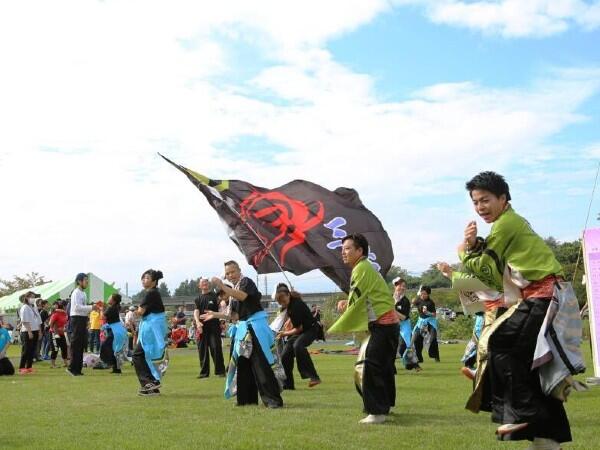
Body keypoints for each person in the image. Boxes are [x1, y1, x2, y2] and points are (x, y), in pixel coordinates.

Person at [458, 171, 582, 448]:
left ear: (503, 198)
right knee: (527, 364)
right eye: (476, 202)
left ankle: (521, 411)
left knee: (501, 343)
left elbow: (487, 270)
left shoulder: (506, 224)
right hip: (539, 296)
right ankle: (547, 439)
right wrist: (475, 245)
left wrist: (464, 253)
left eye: (486, 200)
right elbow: (490, 258)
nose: (480, 208)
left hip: (545, 295)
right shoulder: (505, 224)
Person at [328, 234, 399, 425]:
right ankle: (385, 406)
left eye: (348, 248)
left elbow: (357, 299)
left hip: (383, 326)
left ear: (360, 251)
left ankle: (377, 412)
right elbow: (359, 296)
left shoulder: (361, 268)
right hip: (388, 326)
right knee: (383, 368)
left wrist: (343, 314)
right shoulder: (364, 268)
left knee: (367, 366)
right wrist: (347, 302)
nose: (343, 252)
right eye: (342, 249)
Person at [212, 260, 283, 408]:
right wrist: (215, 315)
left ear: (239, 270)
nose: (230, 275)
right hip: (244, 329)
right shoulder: (233, 290)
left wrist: (221, 285)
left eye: (232, 271)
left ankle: (273, 400)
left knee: (260, 364)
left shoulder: (246, 282)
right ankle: (246, 399)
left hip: (256, 328)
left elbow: (242, 296)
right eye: (227, 273)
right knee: (243, 364)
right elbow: (235, 316)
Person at [274, 283, 321, 389]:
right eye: (281, 303)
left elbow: (298, 328)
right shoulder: (291, 304)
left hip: (311, 330)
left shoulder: (296, 306)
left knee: (298, 345)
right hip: (301, 332)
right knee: (285, 355)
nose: (283, 304)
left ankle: (313, 377)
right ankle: (288, 384)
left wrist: (283, 334)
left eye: (284, 301)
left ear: (288, 295)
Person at [133, 269, 168, 397]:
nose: (144, 280)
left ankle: (150, 382)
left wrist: (133, 312)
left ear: (154, 281)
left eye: (147, 278)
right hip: (153, 326)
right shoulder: (154, 293)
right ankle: (152, 387)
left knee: (138, 355)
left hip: (151, 327)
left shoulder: (150, 293)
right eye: (143, 278)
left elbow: (141, 311)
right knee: (145, 355)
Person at [194, 278, 225, 379]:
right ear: (199, 286)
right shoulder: (198, 298)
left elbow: (221, 308)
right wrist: (198, 322)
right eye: (203, 282)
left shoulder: (215, 296)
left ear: (209, 285)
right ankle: (204, 373)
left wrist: (222, 321)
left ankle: (220, 371)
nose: (205, 284)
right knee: (202, 350)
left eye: (206, 282)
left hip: (214, 326)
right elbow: (196, 311)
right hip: (202, 327)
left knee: (216, 348)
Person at [67, 273, 94, 376]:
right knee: (76, 344)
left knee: (82, 344)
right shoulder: (76, 292)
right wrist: (91, 307)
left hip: (82, 319)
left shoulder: (84, 293)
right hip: (76, 319)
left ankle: (78, 369)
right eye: (85, 280)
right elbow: (77, 307)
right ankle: (72, 368)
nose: (87, 282)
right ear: (79, 281)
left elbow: (83, 308)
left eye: (87, 281)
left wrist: (87, 317)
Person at [393, 277, 419, 371]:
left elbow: (403, 317)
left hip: (404, 325)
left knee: (405, 345)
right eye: (399, 285)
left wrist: (392, 310)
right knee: (389, 346)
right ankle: (391, 368)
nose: (402, 288)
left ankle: (413, 364)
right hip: (392, 325)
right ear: (395, 286)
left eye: (404, 286)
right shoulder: (389, 298)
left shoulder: (405, 301)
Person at [100, 294, 127, 374]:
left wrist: (101, 309)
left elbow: (103, 317)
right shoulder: (115, 307)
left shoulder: (111, 308)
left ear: (114, 300)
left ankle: (111, 364)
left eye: (110, 297)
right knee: (114, 349)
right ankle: (116, 369)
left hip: (115, 330)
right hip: (117, 329)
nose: (108, 298)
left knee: (106, 346)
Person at [412, 286, 440, 364]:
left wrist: (427, 312)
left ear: (428, 294)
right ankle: (419, 358)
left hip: (430, 322)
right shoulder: (419, 300)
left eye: (425, 294)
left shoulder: (430, 302)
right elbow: (413, 301)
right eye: (422, 293)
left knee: (433, 339)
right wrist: (415, 299)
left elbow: (434, 315)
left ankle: (435, 356)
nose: (423, 295)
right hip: (421, 322)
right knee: (417, 339)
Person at [18, 291, 42, 374]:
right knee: (26, 349)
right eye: (31, 297)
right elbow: (24, 321)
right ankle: (21, 367)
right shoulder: (24, 307)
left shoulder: (33, 306)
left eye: (34, 297)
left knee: (32, 349)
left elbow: (38, 319)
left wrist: (39, 331)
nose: (33, 299)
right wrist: (29, 331)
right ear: (27, 298)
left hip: (35, 330)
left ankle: (29, 367)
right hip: (27, 331)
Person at [48, 300, 69, 369]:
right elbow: (50, 324)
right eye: (66, 306)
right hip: (54, 333)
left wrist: (63, 328)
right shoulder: (56, 314)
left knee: (64, 347)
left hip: (61, 333)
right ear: (63, 306)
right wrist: (56, 330)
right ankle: (53, 364)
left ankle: (66, 363)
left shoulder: (65, 314)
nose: (67, 307)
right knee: (55, 348)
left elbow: (65, 323)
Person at [0, 311, 15, 376]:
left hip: (2, 355)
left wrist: (3, 351)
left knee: (10, 371)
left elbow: (8, 341)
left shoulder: (4, 330)